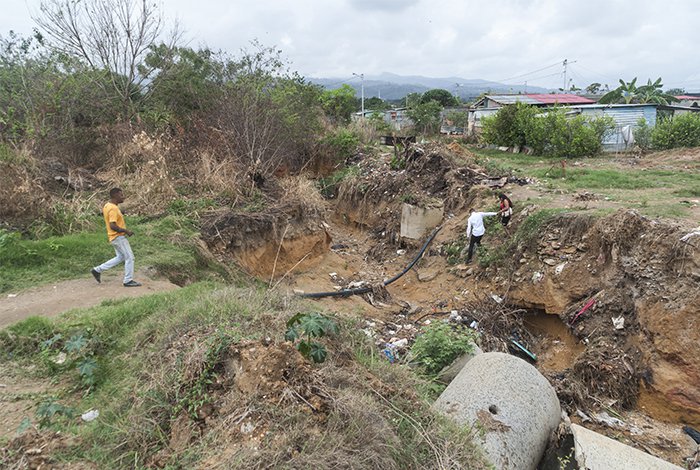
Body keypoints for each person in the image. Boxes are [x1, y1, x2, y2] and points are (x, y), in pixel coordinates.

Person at [91, 188, 141, 287]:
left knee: (121, 257)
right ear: (115, 196)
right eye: (121, 195)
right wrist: (126, 231)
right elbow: (112, 226)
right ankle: (128, 280)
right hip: (118, 237)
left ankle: (97, 270)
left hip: (113, 237)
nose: (124, 197)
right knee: (130, 257)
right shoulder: (113, 208)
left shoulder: (107, 205)